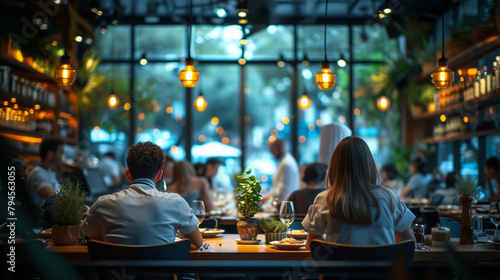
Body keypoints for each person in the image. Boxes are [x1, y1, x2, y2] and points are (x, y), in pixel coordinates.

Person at [82, 142, 203, 248]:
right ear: (159, 175)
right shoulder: (177, 203)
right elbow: (198, 243)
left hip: (118, 274)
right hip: (161, 274)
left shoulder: (102, 204)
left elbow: (91, 237)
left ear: (128, 174)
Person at [302, 136, 416, 249]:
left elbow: (312, 243)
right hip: (382, 267)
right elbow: (409, 242)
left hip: (340, 267)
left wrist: (330, 245)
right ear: (369, 165)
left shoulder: (324, 199)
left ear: (335, 166)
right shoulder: (389, 197)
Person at [26, 137, 64, 205]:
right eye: (60, 152)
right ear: (50, 154)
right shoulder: (38, 174)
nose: (62, 155)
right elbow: (52, 199)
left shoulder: (50, 172)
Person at [262, 138, 299, 204]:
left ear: (280, 146)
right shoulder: (284, 161)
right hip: (284, 204)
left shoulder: (286, 163)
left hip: (284, 205)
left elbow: (282, 190)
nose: (271, 152)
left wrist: (266, 197)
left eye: (272, 148)